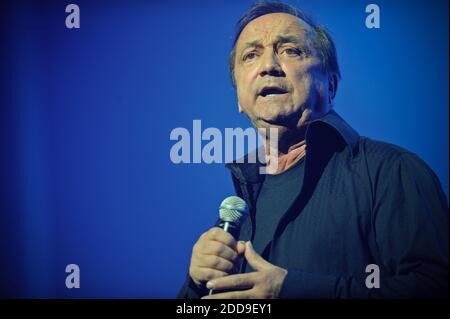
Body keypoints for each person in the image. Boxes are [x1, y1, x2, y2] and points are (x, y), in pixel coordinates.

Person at [177, 1, 448, 299]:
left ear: (330, 84)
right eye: (250, 55)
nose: (268, 66)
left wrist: (290, 291)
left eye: (291, 50)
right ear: (239, 99)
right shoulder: (237, 212)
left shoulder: (392, 171)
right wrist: (196, 283)